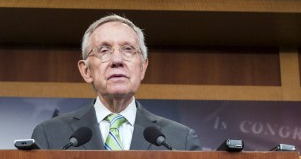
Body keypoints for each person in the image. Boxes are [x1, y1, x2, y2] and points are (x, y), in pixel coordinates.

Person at [31, 14, 201, 150]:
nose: (117, 60)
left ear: (142, 68)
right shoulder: (50, 135)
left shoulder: (180, 140)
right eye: (104, 50)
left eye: (128, 49)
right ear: (86, 70)